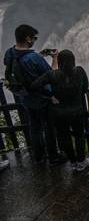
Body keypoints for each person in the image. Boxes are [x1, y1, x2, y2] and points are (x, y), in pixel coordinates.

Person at [3, 24, 64, 165]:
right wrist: (55, 58)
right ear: (28, 39)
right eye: (34, 38)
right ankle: (54, 157)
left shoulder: (9, 53)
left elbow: (19, 66)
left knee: (34, 127)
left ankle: (38, 157)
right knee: (49, 128)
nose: (35, 41)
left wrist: (39, 55)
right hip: (42, 98)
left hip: (25, 97)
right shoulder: (33, 58)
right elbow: (52, 74)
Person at [31, 50, 89, 171]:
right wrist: (78, 95)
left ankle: (73, 162)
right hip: (77, 110)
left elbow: (34, 86)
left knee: (64, 137)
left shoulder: (52, 74)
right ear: (73, 60)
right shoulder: (80, 71)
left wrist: (50, 95)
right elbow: (85, 87)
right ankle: (81, 161)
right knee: (79, 136)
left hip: (59, 113)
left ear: (59, 61)